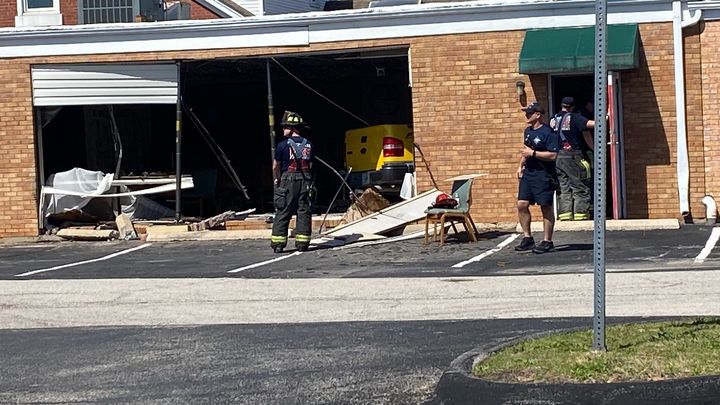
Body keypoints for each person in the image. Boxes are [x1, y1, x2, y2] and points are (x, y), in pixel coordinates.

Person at [515, 102, 560, 254]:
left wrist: (533, 154)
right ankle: (527, 238)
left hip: (544, 175)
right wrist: (520, 165)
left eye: (529, 113)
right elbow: (526, 151)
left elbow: (553, 155)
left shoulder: (548, 133)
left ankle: (547, 241)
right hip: (529, 173)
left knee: (545, 206)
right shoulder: (528, 131)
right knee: (522, 204)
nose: (526, 115)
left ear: (538, 115)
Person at [270, 111, 314, 253]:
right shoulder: (309, 145)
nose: (283, 129)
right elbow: (311, 165)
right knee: (304, 211)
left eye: (285, 127)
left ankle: (278, 244)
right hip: (306, 180)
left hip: (288, 180)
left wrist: (277, 179)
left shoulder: (283, 145)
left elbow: (275, 166)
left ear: (293, 128)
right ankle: (302, 243)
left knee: (283, 209)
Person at [550, 96, 596, 221]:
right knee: (579, 185)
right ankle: (581, 214)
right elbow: (591, 125)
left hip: (558, 157)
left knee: (564, 187)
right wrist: (607, 117)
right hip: (573, 156)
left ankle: (565, 214)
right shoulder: (574, 117)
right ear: (573, 107)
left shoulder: (553, 119)